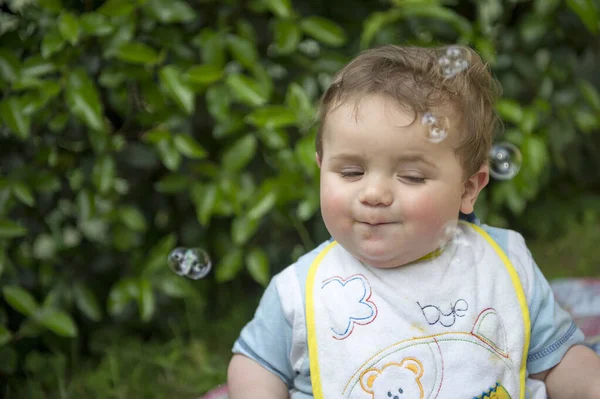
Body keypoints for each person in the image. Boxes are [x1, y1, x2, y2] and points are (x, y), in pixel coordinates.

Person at [226, 44, 600, 399]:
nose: (373, 193)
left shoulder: (504, 263)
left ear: (468, 188)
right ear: (322, 169)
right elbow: (256, 365)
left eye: (412, 177)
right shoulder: (300, 291)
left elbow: (560, 360)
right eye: (352, 172)